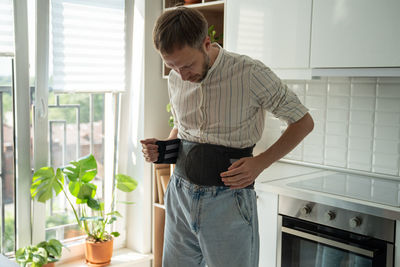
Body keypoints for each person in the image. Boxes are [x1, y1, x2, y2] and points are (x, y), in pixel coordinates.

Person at [141, 7, 314, 267]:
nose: (182, 75)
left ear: (206, 43)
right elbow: (181, 127)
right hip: (180, 194)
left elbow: (303, 121)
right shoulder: (177, 78)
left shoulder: (250, 73)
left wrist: (260, 163)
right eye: (172, 66)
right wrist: (162, 149)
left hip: (228, 200)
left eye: (187, 65)